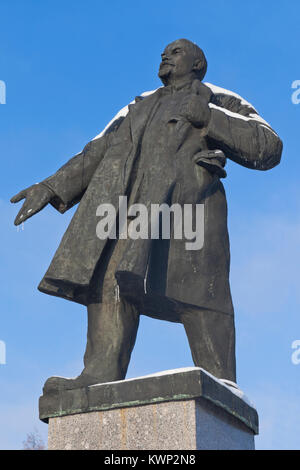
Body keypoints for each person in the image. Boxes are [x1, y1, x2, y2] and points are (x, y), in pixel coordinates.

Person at [11, 39, 282, 392]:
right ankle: (100, 372)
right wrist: (50, 186)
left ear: (198, 64)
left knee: (200, 289)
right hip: (129, 209)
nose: (166, 55)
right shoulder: (139, 105)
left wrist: (208, 117)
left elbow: (268, 146)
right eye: (164, 52)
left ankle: (222, 383)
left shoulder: (218, 98)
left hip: (188, 206)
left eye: (177, 51)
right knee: (112, 280)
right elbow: (96, 150)